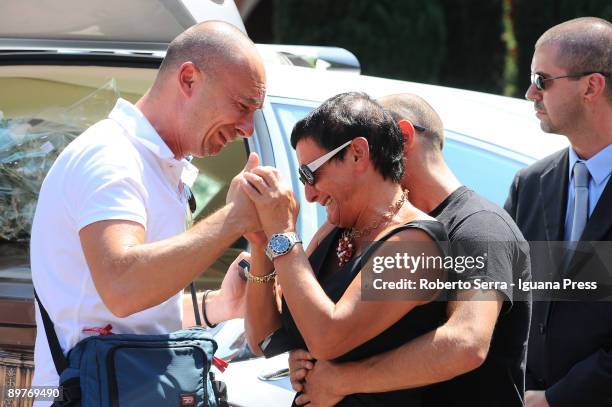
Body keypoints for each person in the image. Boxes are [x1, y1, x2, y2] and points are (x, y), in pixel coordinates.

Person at [30, 21, 266, 394]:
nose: (248, 128)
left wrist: (218, 305)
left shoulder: (153, 164)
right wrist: (234, 218)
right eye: (242, 105)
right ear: (189, 80)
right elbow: (123, 288)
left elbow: (136, 320)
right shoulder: (112, 158)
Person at [289, 93, 531, 407]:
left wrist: (343, 379)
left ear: (402, 137)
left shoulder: (479, 227)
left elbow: (466, 342)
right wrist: (308, 357)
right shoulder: (378, 230)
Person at [242, 92, 450, 406]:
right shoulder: (334, 229)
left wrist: (283, 233)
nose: (309, 194)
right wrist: (262, 244)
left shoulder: (415, 244)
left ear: (357, 154)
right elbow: (263, 339)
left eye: (310, 173)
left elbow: (327, 338)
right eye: (301, 177)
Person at [504, 17, 612, 407]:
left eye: (542, 79)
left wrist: (555, 400)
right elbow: (495, 296)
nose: (531, 92)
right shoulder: (530, 184)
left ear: (591, 86)